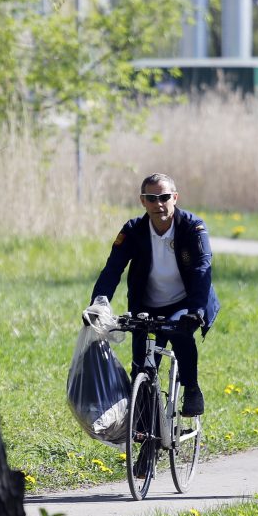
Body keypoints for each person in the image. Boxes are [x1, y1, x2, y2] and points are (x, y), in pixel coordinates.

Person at [91, 173, 220, 417]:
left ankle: (191, 388)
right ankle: (143, 437)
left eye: (164, 197)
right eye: (151, 198)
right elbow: (112, 270)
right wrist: (98, 304)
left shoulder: (192, 227)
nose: (158, 204)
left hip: (187, 302)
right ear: (143, 201)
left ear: (175, 198)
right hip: (146, 306)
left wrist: (197, 312)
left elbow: (203, 267)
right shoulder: (133, 231)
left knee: (181, 335)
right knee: (141, 369)